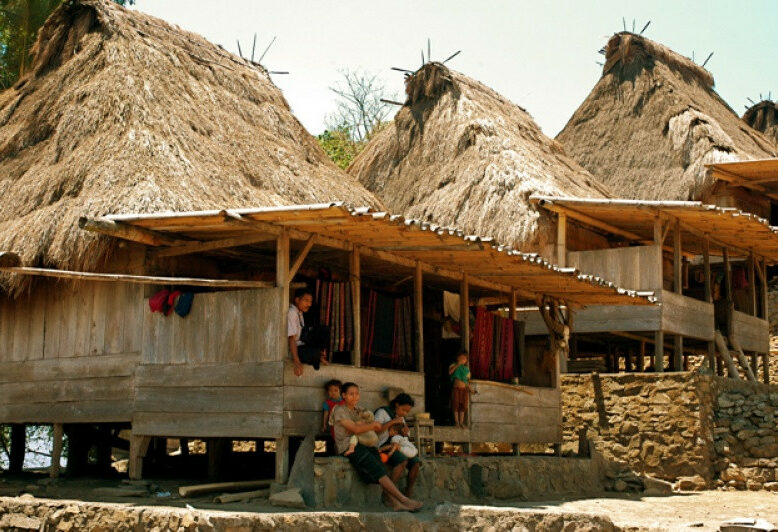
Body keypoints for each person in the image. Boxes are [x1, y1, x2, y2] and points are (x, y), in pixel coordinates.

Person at [331, 382, 422, 512]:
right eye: (351, 394)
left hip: (361, 444)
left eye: (357, 393)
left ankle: (395, 503)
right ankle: (403, 500)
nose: (355, 397)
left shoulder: (359, 410)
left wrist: (367, 425)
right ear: (343, 395)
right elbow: (356, 429)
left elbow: (365, 424)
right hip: (347, 446)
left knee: (379, 464)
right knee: (375, 467)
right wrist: (371, 426)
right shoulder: (339, 410)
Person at [374, 393, 421, 497]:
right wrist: (392, 422)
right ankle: (390, 494)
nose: (404, 413)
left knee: (416, 463)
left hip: (397, 445)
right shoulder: (382, 412)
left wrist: (405, 433)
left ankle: (408, 491)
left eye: (407, 411)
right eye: (403, 410)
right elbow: (375, 430)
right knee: (402, 460)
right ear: (397, 405)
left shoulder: (401, 417)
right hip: (383, 445)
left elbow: (404, 437)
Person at [288, 288, 328, 376]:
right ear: (297, 300)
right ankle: (317, 357)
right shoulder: (292, 313)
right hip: (296, 349)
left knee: (323, 330)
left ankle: (318, 355)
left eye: (310, 301)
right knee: (313, 354)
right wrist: (297, 362)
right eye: (306, 300)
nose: (309, 304)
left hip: (303, 344)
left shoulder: (299, 312)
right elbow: (291, 339)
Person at [449, 352, 473, 428]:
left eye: (464, 359)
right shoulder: (453, 365)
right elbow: (450, 372)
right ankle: (456, 422)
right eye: (461, 358)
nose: (462, 360)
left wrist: (471, 389)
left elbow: (467, 381)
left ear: (466, 361)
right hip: (456, 388)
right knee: (455, 404)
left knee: (463, 406)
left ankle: (461, 422)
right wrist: (458, 364)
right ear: (457, 358)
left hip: (464, 390)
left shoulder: (467, 370)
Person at [321, 379, 343, 451]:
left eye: (335, 390)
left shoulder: (344, 402)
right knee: (335, 438)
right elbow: (326, 413)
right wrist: (324, 424)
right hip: (333, 425)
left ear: (340, 391)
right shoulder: (327, 403)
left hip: (344, 425)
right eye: (330, 391)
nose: (333, 393)